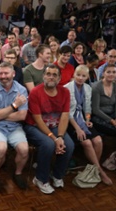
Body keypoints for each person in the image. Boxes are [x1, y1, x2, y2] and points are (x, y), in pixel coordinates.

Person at [24, 64, 74, 194]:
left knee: (69, 145)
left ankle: (57, 175)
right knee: (48, 144)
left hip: (55, 126)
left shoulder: (65, 92)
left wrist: (61, 137)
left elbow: (64, 116)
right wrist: (54, 138)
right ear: (43, 76)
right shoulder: (36, 92)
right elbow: (37, 119)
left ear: (59, 78)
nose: (51, 77)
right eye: (48, 74)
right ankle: (40, 179)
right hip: (34, 126)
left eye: (54, 75)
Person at [64, 65, 112, 185]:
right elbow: (67, 113)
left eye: (83, 76)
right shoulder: (66, 88)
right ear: (74, 75)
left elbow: (88, 108)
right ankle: (100, 171)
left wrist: (88, 119)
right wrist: (78, 129)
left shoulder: (87, 88)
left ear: (87, 77)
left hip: (82, 120)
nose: (80, 78)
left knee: (98, 141)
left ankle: (92, 168)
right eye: (78, 75)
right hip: (70, 121)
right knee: (87, 142)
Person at [0, 62, 29, 191]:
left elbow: (22, 116)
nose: (3, 76)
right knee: (1, 148)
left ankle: (18, 173)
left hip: (14, 127)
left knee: (24, 149)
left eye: (6, 73)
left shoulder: (21, 90)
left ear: (13, 74)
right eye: (0, 73)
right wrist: (14, 106)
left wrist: (0, 114)